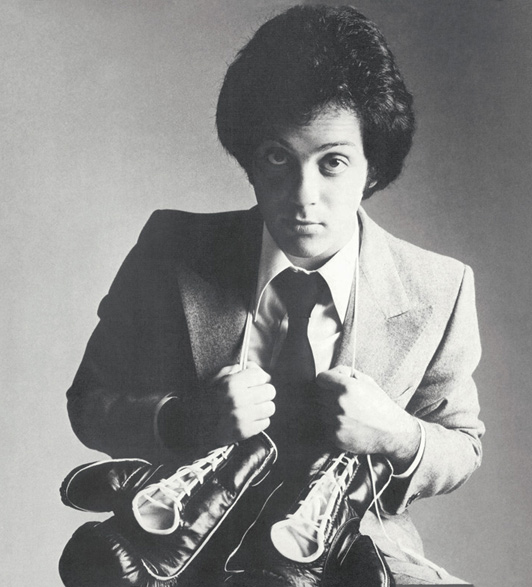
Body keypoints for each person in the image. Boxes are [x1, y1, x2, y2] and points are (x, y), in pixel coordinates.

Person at [66, 4, 484, 584]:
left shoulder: (438, 287)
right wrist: (185, 420)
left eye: (333, 162)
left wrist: (395, 432)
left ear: (371, 169)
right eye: (278, 158)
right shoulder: (171, 250)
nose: (302, 194)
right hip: (185, 551)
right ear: (251, 162)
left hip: (347, 558)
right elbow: (89, 402)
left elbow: (462, 444)